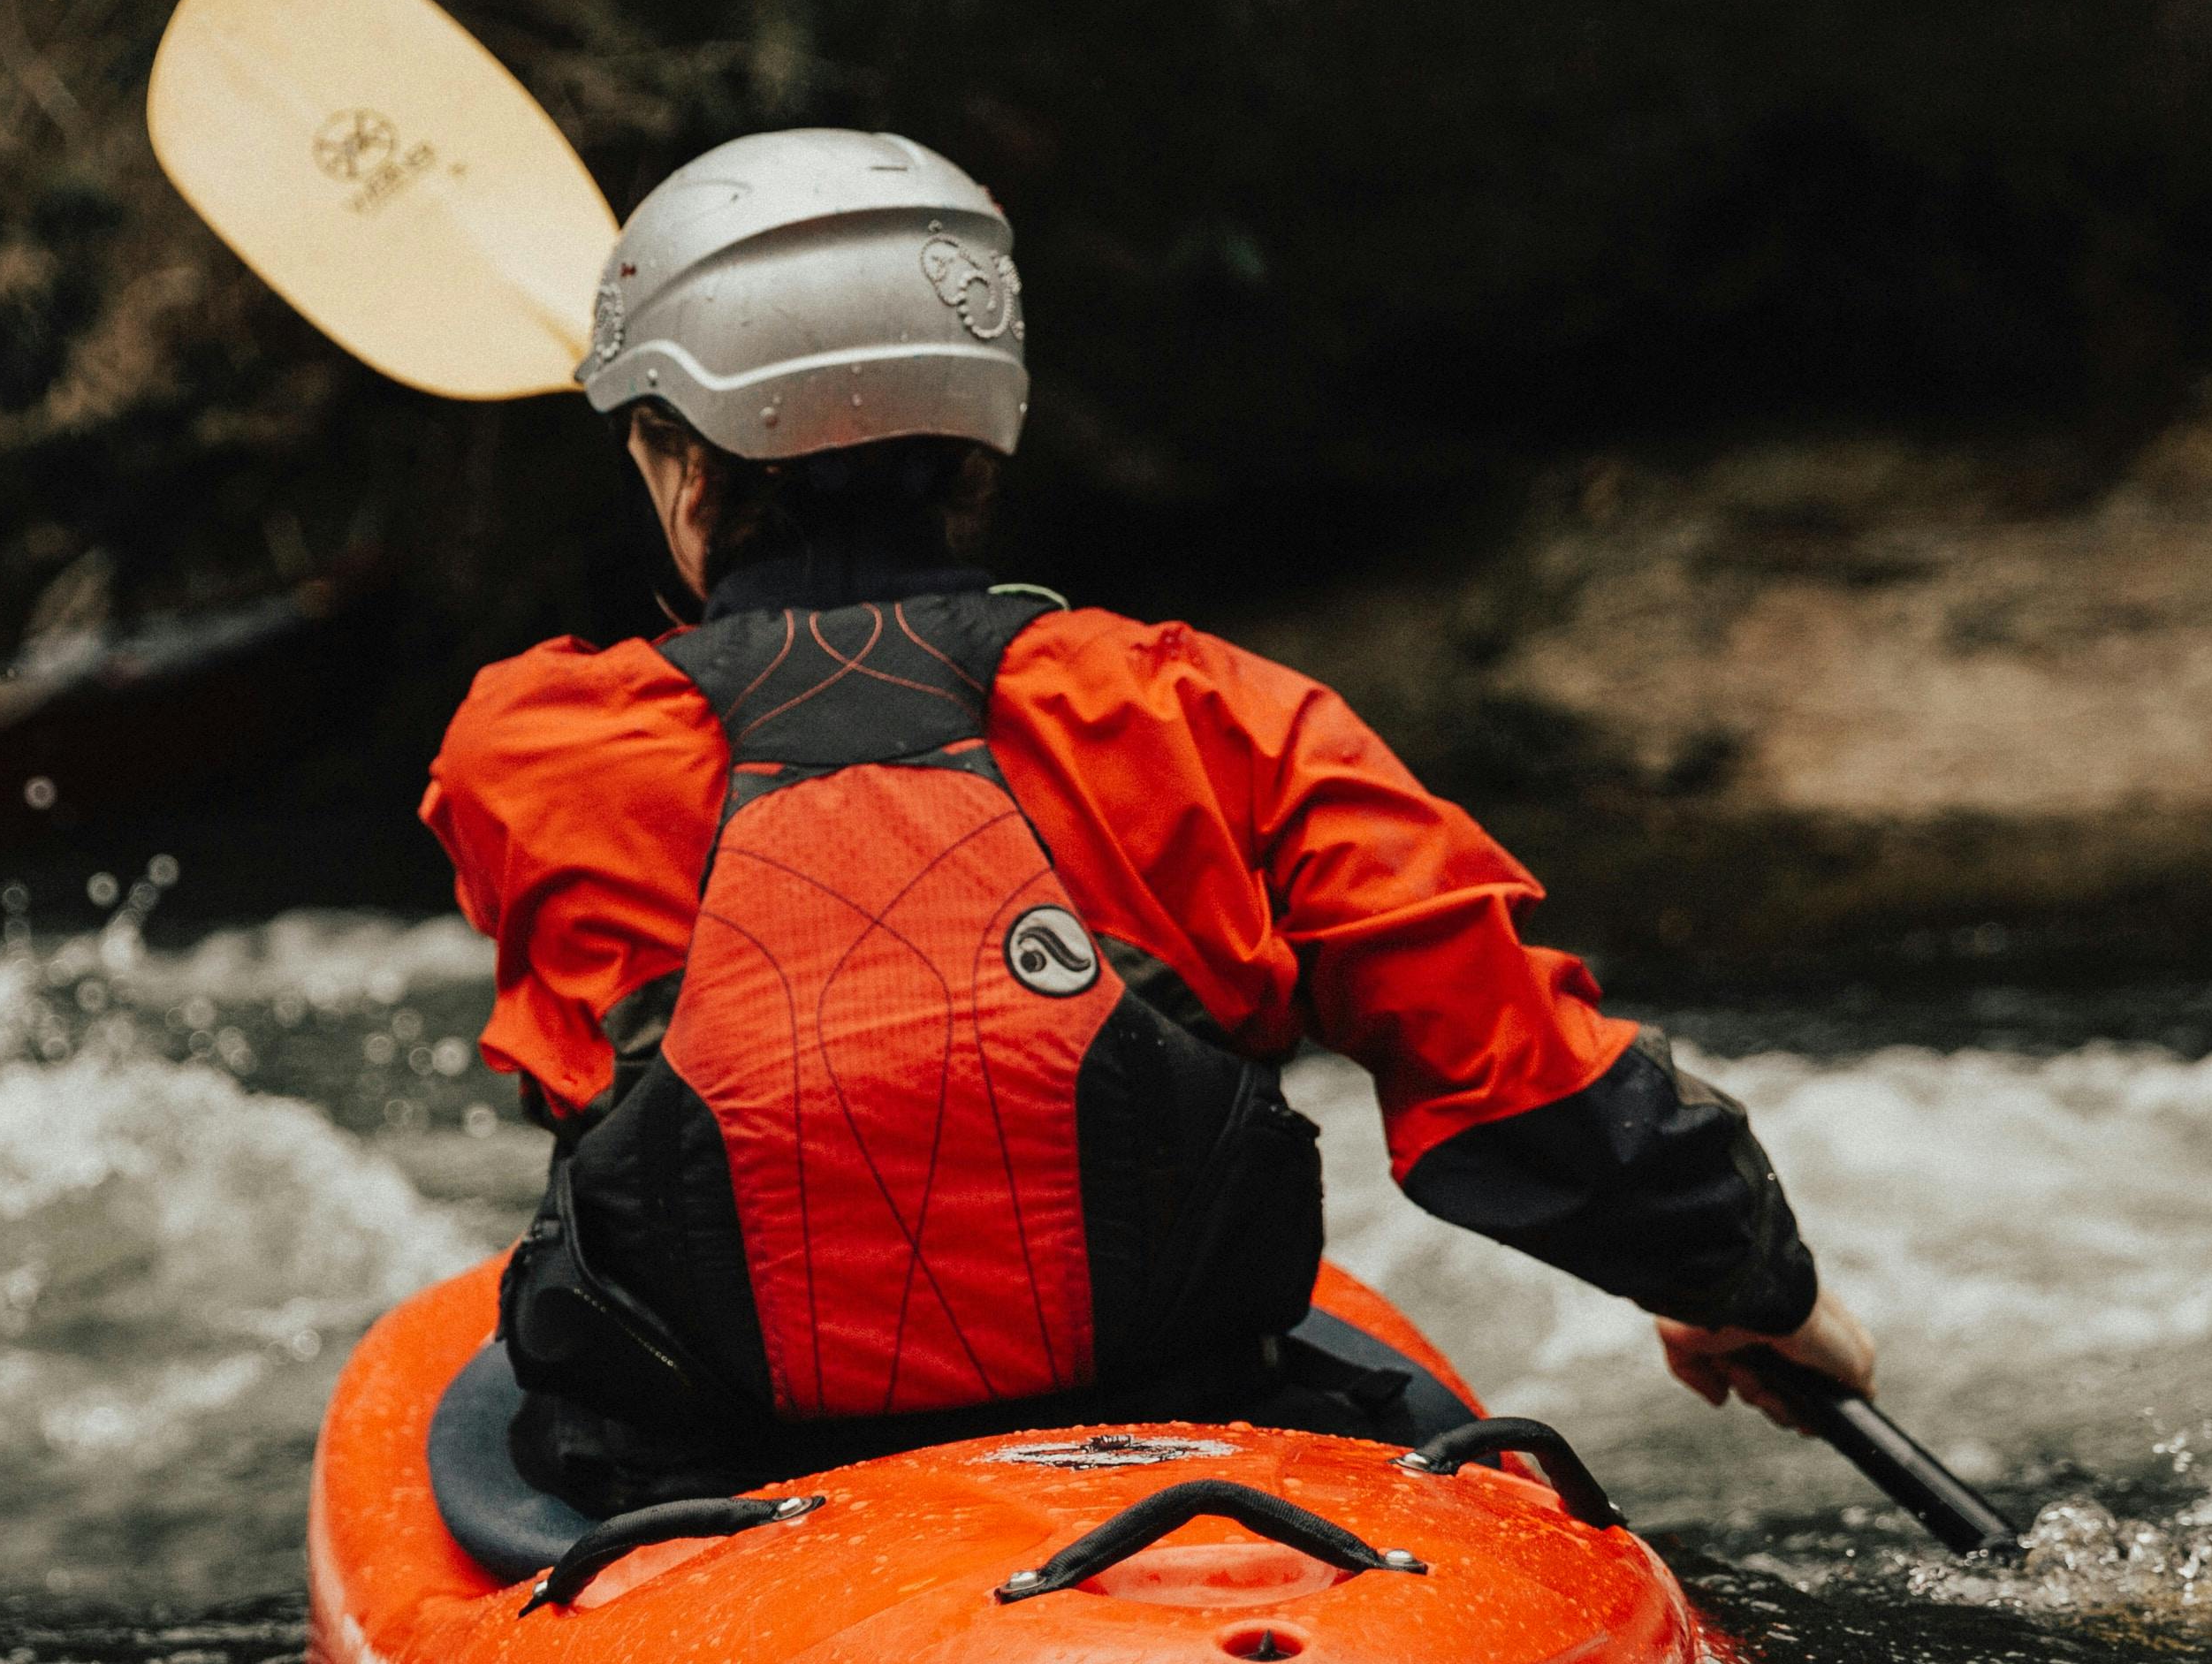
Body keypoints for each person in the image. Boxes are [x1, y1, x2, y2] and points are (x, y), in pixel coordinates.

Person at [421, 127, 1882, 1516]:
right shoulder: (1214, 714)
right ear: (982, 445)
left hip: (712, 1476)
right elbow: (1515, 1075)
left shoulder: (531, 749)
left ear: (684, 471)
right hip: (1183, 1437)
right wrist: (1752, 1289)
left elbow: (594, 1051)